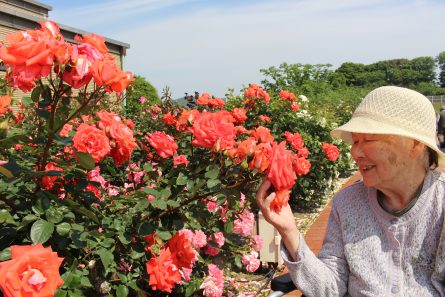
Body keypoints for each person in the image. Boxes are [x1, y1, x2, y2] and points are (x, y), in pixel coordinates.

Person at [256, 86, 445, 297]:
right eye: (355, 141)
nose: (355, 152)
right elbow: (329, 288)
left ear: (414, 146)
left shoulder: (441, 203)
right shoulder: (347, 202)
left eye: (369, 140)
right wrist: (289, 231)